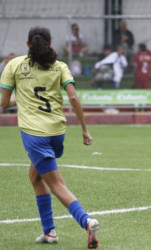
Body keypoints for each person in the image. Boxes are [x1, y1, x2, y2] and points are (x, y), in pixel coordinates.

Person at [0, 26, 99, 248]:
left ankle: (86, 220)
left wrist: (21, 99)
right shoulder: (59, 66)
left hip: (34, 134)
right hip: (57, 132)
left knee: (56, 184)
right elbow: (73, 98)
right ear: (49, 43)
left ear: (28, 45)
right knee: (35, 177)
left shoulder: (13, 65)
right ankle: (49, 232)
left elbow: (4, 103)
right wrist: (84, 129)